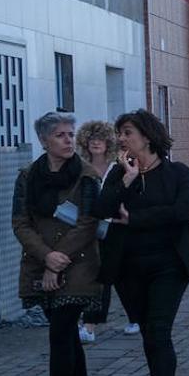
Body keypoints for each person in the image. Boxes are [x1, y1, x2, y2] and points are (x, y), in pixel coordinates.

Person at [95, 109, 189, 376]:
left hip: (168, 265)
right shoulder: (118, 173)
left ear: (147, 136)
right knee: (147, 332)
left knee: (159, 329)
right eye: (120, 133)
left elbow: (182, 212)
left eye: (127, 132)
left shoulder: (177, 174)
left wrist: (136, 219)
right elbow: (101, 210)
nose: (122, 139)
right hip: (128, 267)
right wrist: (126, 180)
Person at [13, 112, 103, 376]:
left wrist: (59, 257)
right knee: (64, 331)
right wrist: (46, 256)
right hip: (41, 262)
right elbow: (21, 222)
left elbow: (88, 223)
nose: (68, 140)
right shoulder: (28, 176)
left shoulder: (86, 175)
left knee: (60, 330)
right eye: (60, 135)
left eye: (70, 134)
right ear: (44, 140)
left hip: (78, 263)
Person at [75, 119, 121, 343]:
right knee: (94, 275)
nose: (96, 143)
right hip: (87, 229)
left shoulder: (118, 167)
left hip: (115, 228)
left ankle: (136, 316)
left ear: (108, 142)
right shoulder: (79, 166)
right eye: (91, 139)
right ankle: (89, 324)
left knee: (114, 275)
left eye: (100, 139)